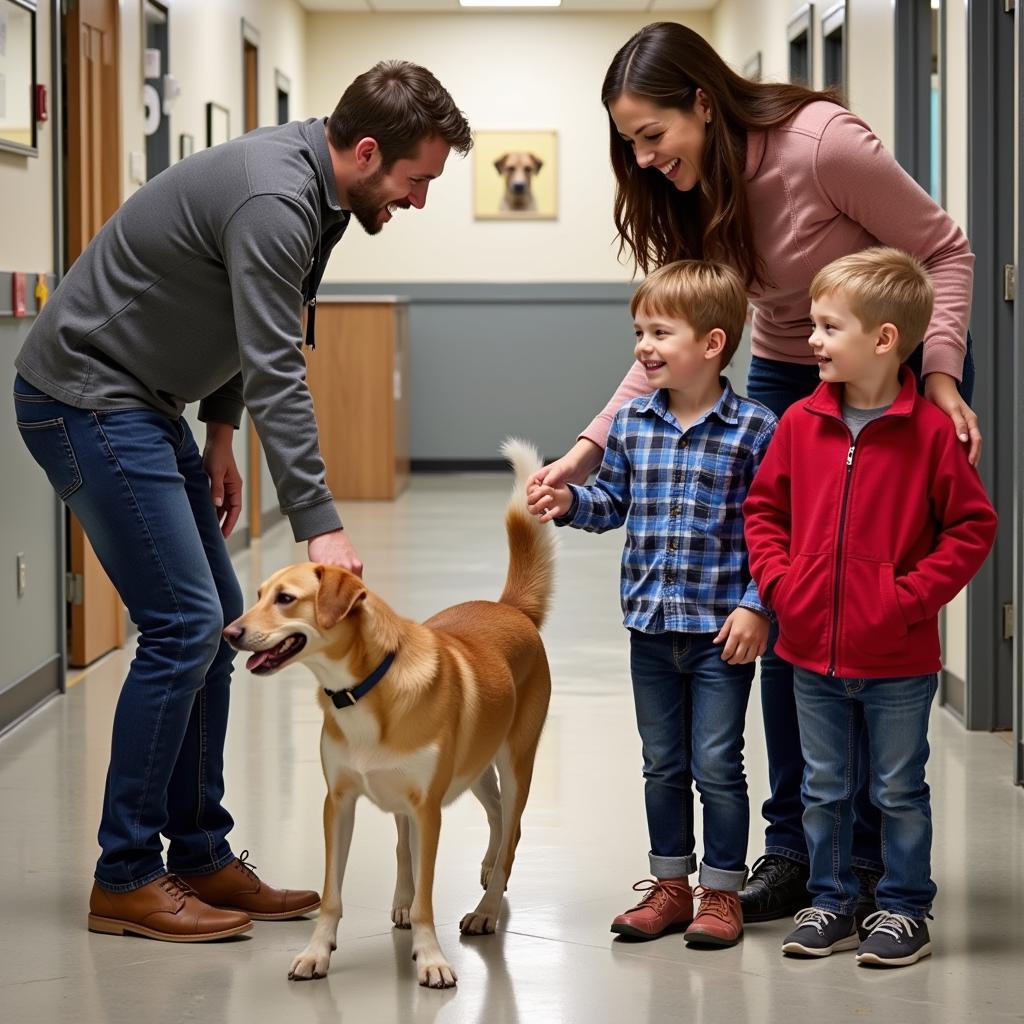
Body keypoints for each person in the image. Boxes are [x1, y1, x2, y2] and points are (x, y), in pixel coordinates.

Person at [528, 21, 979, 926]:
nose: (645, 158)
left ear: (702, 100)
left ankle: (861, 855)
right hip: (778, 363)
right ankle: (792, 851)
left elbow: (944, 250)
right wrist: (587, 449)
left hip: (887, 365)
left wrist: (938, 380)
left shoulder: (822, 148)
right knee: (778, 609)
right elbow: (658, 359)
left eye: (653, 135)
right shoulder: (699, 188)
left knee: (849, 597)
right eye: (630, 145)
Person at [12, 60, 471, 942]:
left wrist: (221, 435)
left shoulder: (322, 197)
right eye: (416, 181)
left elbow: (265, 322)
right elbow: (275, 365)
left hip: (144, 401)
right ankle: (126, 876)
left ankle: (200, 854)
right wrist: (321, 526)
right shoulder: (275, 198)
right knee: (186, 623)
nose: (417, 201)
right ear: (369, 152)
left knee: (221, 620)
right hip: (83, 395)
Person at [743, 247, 996, 966]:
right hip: (808, 653)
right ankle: (831, 903)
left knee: (897, 790)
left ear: (884, 340)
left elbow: (973, 527)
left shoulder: (930, 434)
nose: (811, 340)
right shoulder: (798, 422)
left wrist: (907, 599)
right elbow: (764, 511)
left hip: (897, 658)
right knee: (822, 787)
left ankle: (903, 909)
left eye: (827, 327)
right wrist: (781, 586)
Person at [529, 260, 776, 948]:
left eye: (660, 331)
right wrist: (571, 501)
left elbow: (774, 531)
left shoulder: (756, 429)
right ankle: (670, 886)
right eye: (639, 330)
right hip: (650, 628)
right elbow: (613, 503)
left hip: (718, 633)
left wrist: (758, 605)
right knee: (662, 763)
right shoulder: (633, 424)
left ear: (713, 343)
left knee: (717, 764)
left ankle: (722, 892)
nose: (643, 345)